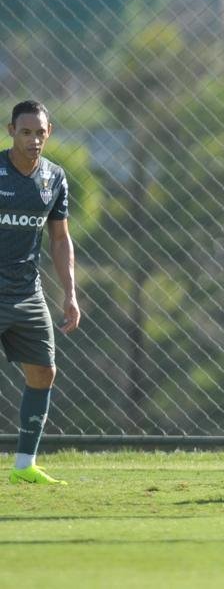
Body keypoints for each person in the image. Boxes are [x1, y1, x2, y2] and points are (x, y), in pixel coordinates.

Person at [2, 101, 79, 485]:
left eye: (40, 132)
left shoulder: (55, 177)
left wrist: (70, 293)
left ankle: (24, 467)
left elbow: (60, 238)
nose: (34, 139)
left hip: (27, 292)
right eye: (26, 131)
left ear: (50, 132)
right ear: (11, 130)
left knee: (44, 372)